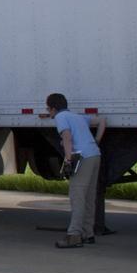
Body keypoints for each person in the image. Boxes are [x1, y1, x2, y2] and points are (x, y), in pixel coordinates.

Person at [47, 92, 105, 249]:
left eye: (48, 110)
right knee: (89, 196)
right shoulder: (77, 116)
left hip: (82, 157)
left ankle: (74, 235)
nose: (49, 113)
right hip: (95, 155)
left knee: (77, 196)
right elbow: (101, 121)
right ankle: (88, 233)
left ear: (53, 108)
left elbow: (67, 136)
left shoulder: (60, 118)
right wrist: (97, 141)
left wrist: (67, 158)